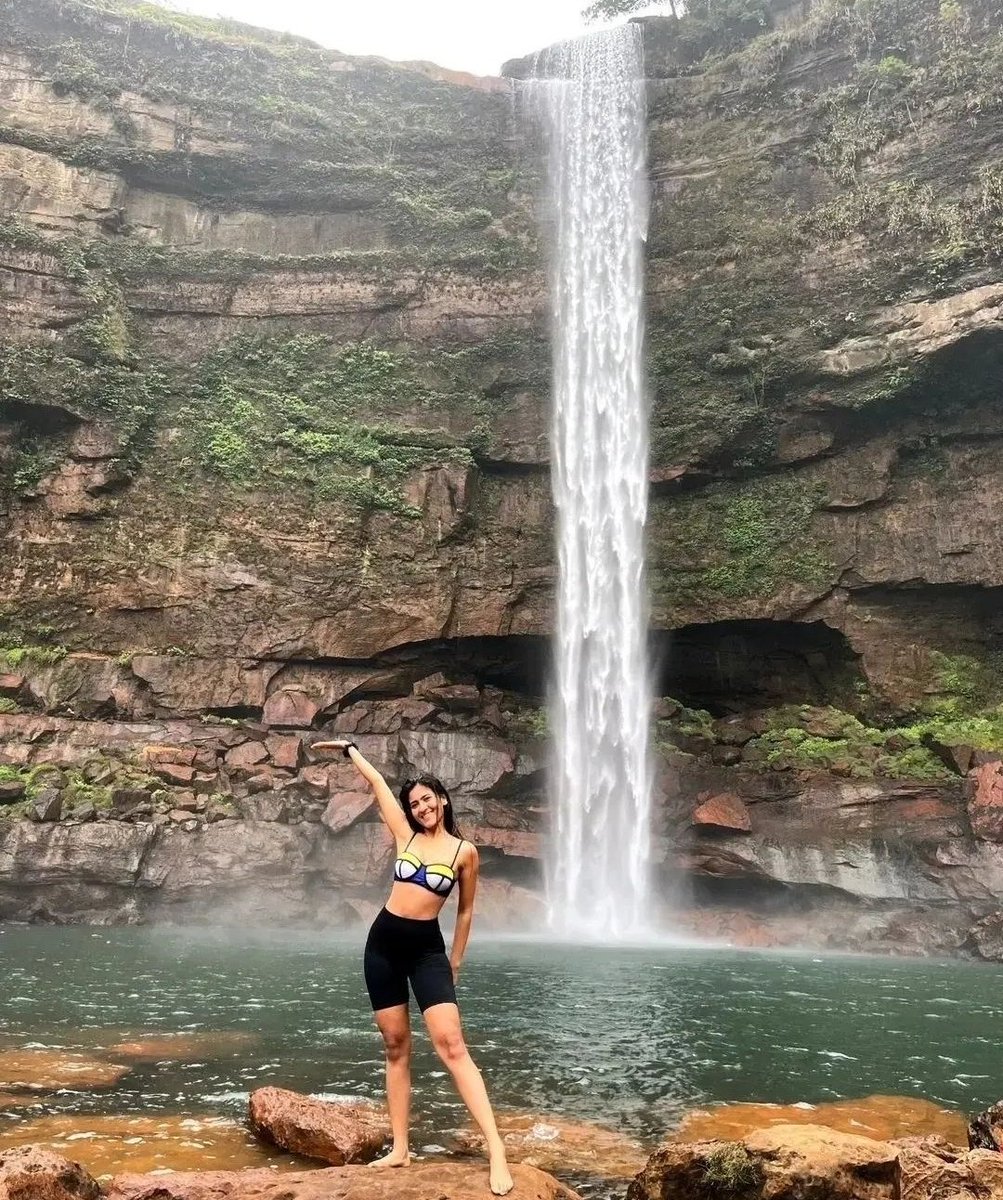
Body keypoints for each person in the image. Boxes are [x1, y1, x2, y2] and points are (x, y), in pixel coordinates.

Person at [312, 738, 514, 1196]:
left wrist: (455, 960)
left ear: (442, 799)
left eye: (427, 799)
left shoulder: (465, 852)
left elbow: (463, 911)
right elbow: (378, 783)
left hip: (426, 951)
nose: (420, 807)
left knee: (452, 1045)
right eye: (414, 803)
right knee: (395, 1045)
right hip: (381, 946)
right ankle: (401, 1148)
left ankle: (496, 1149)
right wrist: (350, 750)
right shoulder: (406, 836)